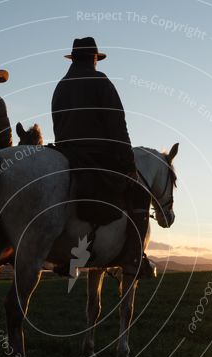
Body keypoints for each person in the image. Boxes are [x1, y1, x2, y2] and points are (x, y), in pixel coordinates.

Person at [51, 37, 156, 279]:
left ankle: (64, 255)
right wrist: (128, 163)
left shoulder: (61, 85)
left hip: (66, 153)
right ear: (94, 59)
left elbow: (58, 123)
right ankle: (135, 258)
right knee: (139, 193)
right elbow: (117, 125)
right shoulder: (100, 81)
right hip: (96, 155)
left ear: (74, 58)